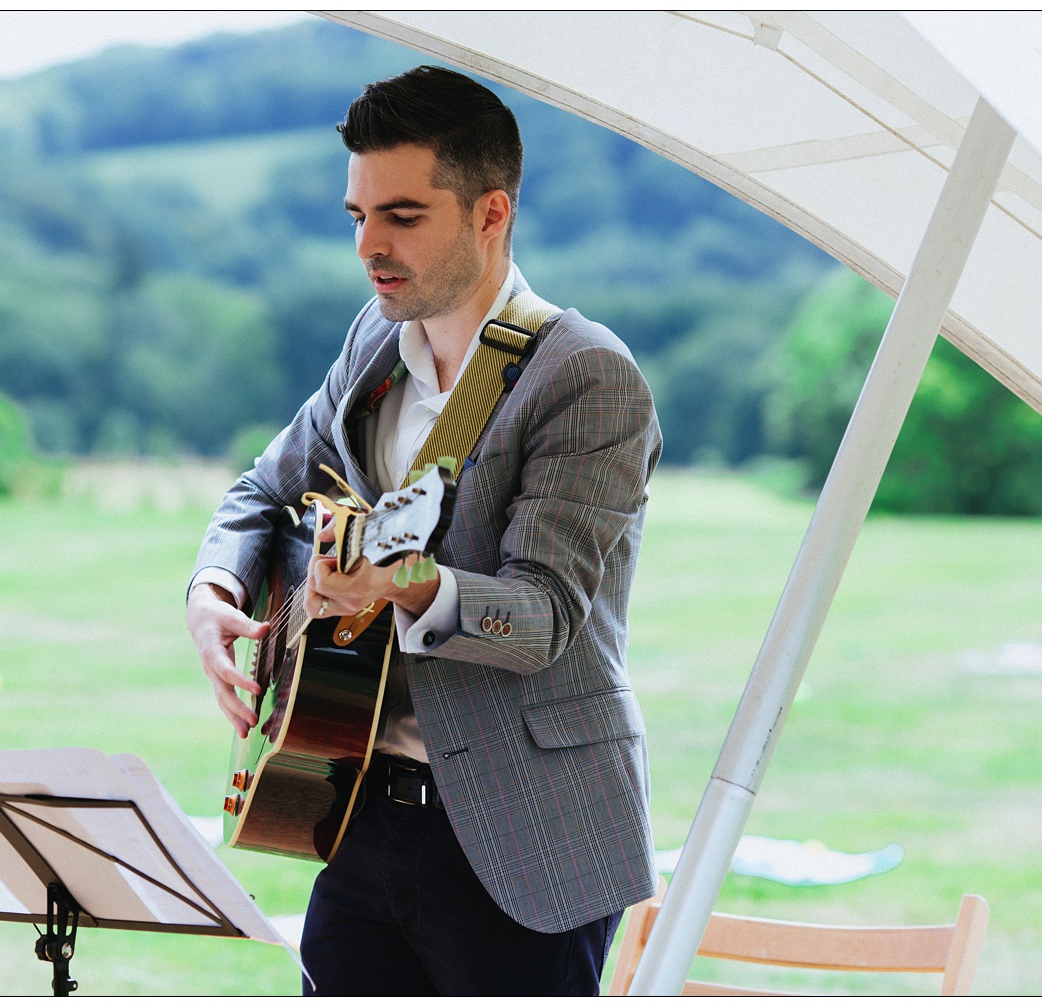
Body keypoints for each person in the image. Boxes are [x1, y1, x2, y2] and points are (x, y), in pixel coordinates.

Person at [186, 65, 661, 996]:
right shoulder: (375, 339)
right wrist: (215, 590)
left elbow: (545, 617)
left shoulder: (585, 374)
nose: (370, 245)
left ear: (491, 213)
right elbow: (260, 490)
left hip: (524, 837)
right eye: (357, 215)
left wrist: (403, 586)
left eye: (402, 216)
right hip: (354, 805)